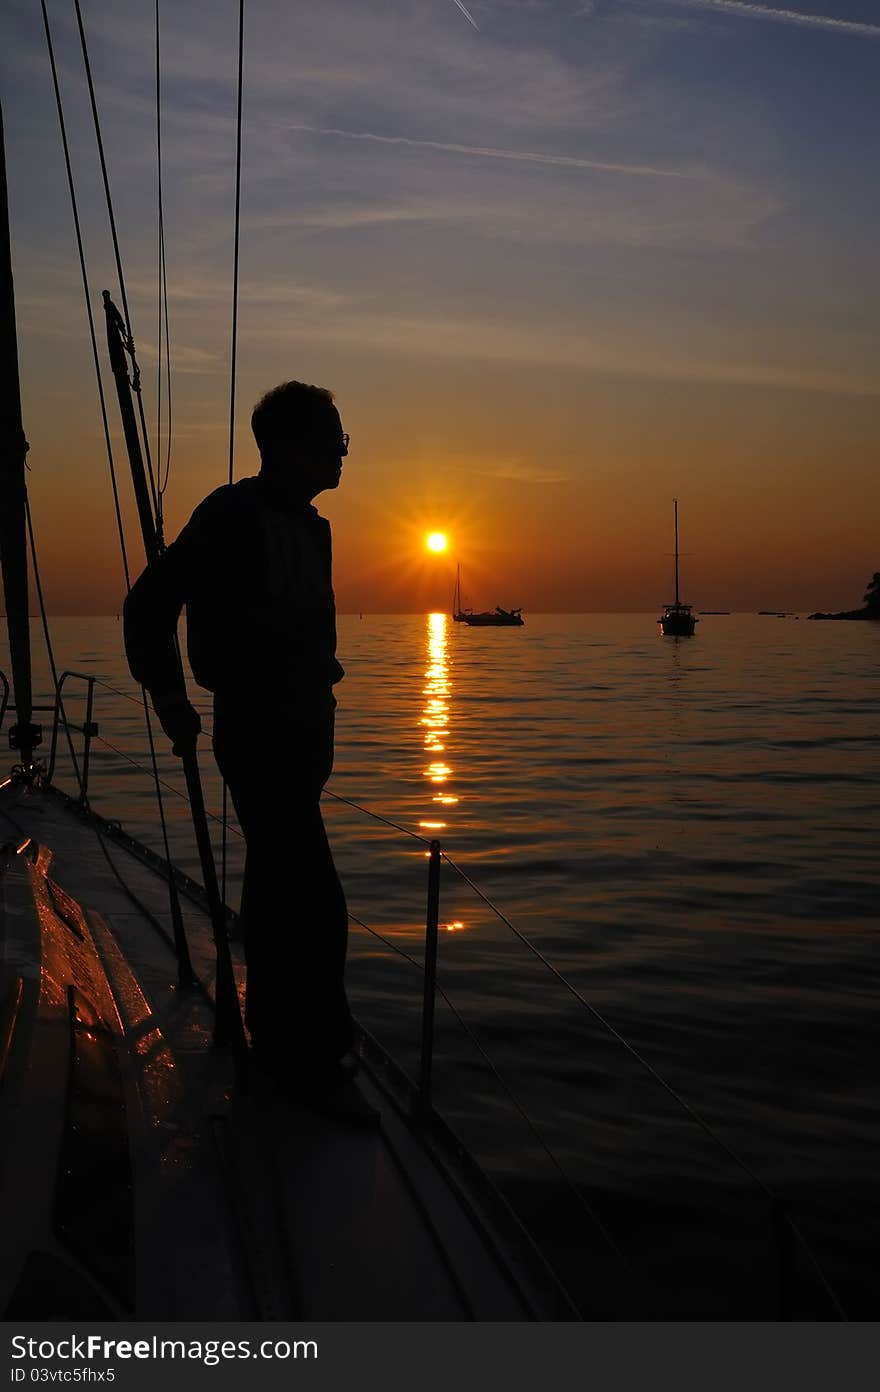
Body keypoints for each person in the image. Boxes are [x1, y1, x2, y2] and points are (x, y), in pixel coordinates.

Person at [123, 380, 375, 1122]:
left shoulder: (313, 527)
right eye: (333, 435)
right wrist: (170, 696)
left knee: (275, 887)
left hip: (304, 735)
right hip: (258, 732)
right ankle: (312, 1063)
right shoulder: (230, 516)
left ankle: (276, 1045)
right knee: (315, 902)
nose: (342, 449)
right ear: (292, 445)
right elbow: (150, 605)